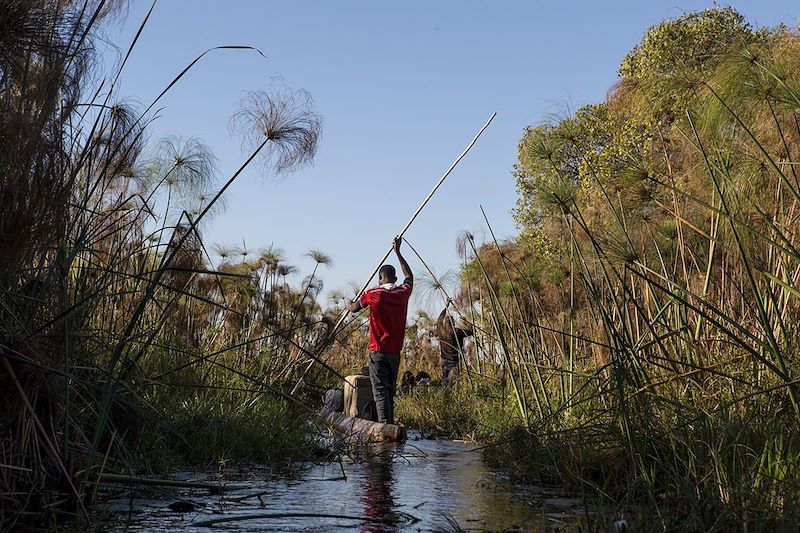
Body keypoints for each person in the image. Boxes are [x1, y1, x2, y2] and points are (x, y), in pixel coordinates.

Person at [348, 236, 413, 424]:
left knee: (380, 391)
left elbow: (354, 308)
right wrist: (398, 253)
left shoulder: (374, 294)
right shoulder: (402, 292)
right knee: (390, 390)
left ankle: (385, 426)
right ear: (394, 278)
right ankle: (389, 424)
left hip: (377, 350)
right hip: (394, 351)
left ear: (380, 278)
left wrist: (349, 304)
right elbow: (409, 277)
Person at [436, 299, 473, 384]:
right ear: (453, 323)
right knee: (454, 382)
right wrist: (468, 324)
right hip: (455, 362)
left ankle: (444, 394)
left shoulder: (441, 332)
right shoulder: (457, 332)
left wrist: (446, 306)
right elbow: (470, 332)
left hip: (444, 360)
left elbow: (439, 319)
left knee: (445, 381)